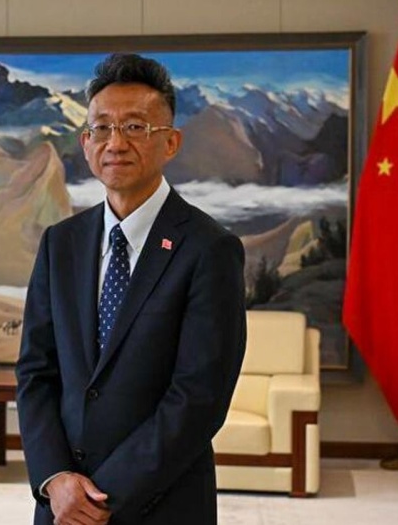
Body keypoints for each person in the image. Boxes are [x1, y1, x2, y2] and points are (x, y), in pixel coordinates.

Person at [16, 53, 247, 525]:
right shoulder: (61, 244)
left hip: (161, 505)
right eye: (101, 128)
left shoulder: (210, 249)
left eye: (135, 127)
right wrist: (55, 479)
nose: (115, 143)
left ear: (171, 142)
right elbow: (37, 372)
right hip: (62, 507)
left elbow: (198, 398)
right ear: (85, 142)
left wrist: (102, 498)